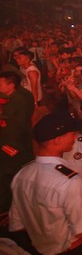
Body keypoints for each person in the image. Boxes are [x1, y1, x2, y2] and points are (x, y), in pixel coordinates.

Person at [9, 112, 82, 254]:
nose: (75, 138)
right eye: (71, 134)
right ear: (57, 140)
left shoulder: (21, 175)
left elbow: (18, 224)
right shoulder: (68, 181)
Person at [0, 71, 35, 221]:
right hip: (10, 146)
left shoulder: (17, 102)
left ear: (11, 85)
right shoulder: (11, 98)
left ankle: (10, 212)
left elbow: (14, 129)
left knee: (10, 177)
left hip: (14, 148)